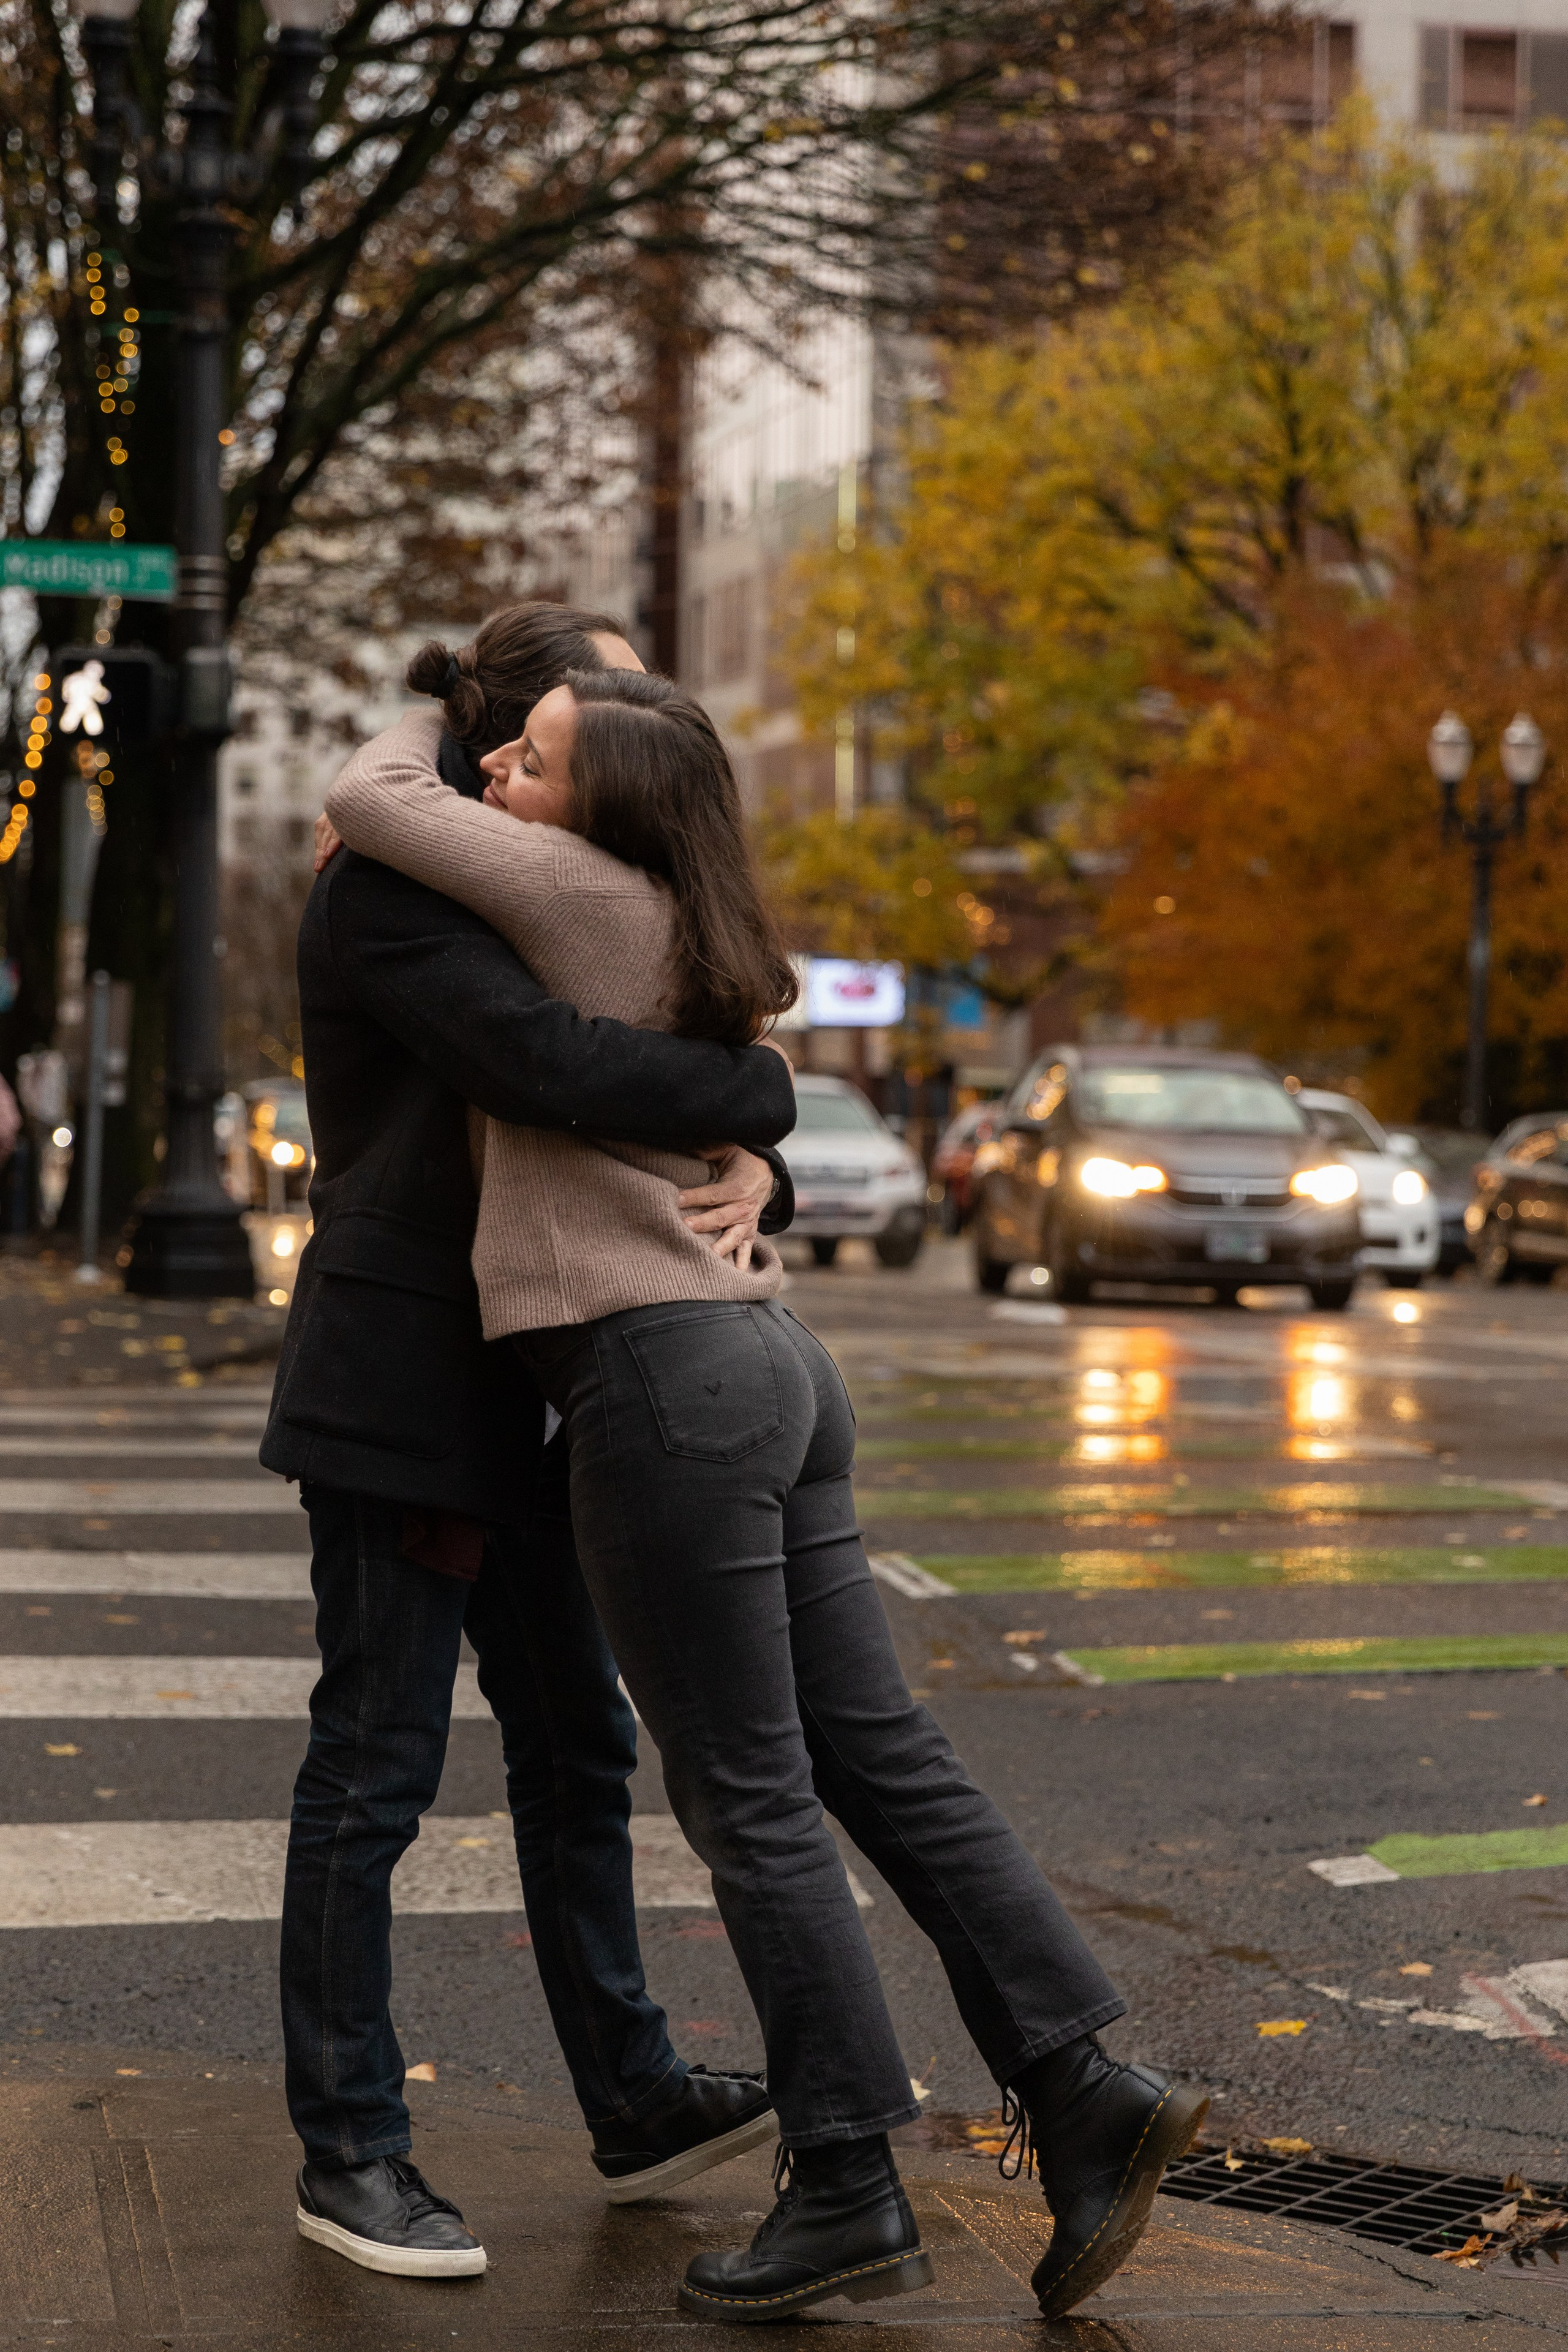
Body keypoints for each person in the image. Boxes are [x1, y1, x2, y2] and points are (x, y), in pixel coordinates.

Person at [323, 666, 1210, 2324]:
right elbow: (737, 1082)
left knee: (749, 1795)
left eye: (540, 757)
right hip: (773, 1368)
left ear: (608, 814)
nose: (502, 768)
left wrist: (441, 712)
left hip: (658, 1380)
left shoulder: (567, 884)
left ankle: (849, 2181)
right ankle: (1084, 2086)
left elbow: (375, 797)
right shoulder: (688, 915)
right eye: (508, 748)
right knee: (881, 1756)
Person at [263, 605, 801, 2282]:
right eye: (606, 697)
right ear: (506, 733)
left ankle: (633, 2092)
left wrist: (751, 1143)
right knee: (377, 1768)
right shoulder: (398, 890)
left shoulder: (528, 877)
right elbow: (552, 1063)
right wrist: (760, 1092)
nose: (644, 713)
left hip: (544, 1375)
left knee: (579, 1753)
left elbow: (652, 1019)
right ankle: (350, 2147)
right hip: (410, 1375)